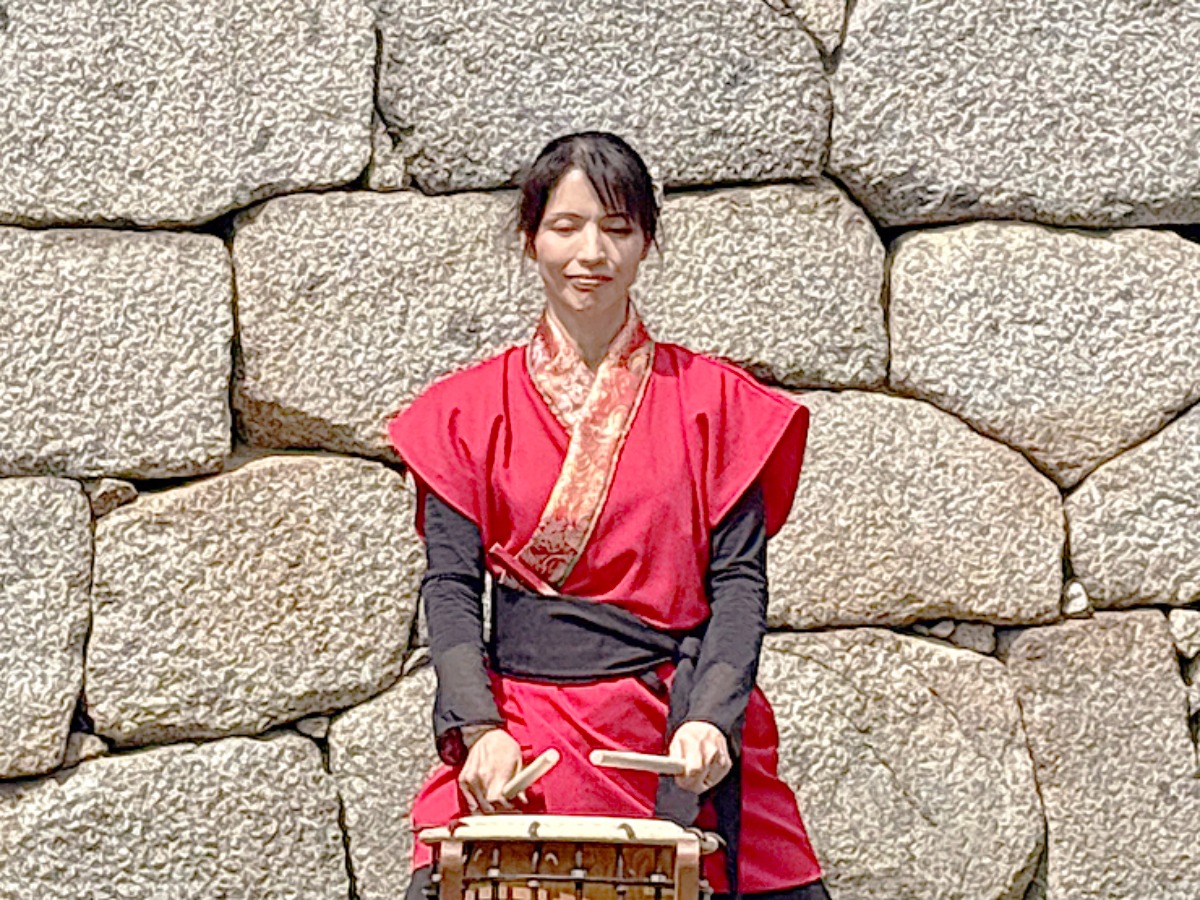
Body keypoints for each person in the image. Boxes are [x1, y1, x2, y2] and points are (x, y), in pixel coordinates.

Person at [388, 131, 829, 900]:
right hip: (524, 736)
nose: (590, 252)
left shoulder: (718, 406)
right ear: (530, 239)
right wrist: (479, 730)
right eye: (565, 227)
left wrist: (711, 720)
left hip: (677, 732)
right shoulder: (462, 413)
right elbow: (451, 587)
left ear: (646, 242)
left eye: (617, 228)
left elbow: (739, 585)